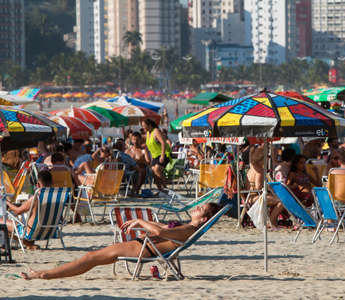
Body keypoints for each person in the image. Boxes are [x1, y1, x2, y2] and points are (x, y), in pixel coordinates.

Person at [20, 203, 222, 280]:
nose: (196, 208)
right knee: (93, 259)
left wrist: (140, 221)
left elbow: (160, 230)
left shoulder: (188, 229)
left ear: (203, 219)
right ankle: (44, 274)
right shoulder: (188, 227)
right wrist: (143, 223)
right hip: (146, 246)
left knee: (91, 257)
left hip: (143, 249)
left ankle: (43, 274)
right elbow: (162, 229)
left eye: (200, 209)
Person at [1, 170, 53, 250]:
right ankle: (29, 244)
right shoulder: (57, 197)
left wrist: (7, 202)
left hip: (31, 232)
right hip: (49, 231)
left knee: (1, 221)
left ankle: (28, 244)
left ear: (38, 184)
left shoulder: (36, 198)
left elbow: (17, 211)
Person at [244, 143, 284, 228]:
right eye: (267, 157)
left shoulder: (251, 168)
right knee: (281, 201)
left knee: (276, 198)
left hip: (248, 197)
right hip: (255, 198)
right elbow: (258, 187)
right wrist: (267, 187)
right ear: (262, 159)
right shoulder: (259, 170)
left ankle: (272, 220)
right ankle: (272, 220)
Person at [142, 119, 171, 192]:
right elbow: (149, 144)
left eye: (144, 126)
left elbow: (163, 143)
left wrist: (162, 156)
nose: (143, 128)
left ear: (149, 125)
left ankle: (165, 187)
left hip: (164, 154)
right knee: (153, 171)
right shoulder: (148, 133)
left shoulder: (156, 131)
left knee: (157, 169)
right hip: (155, 156)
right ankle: (160, 189)